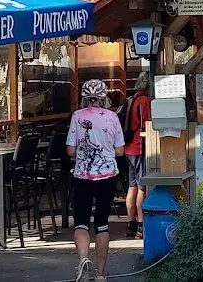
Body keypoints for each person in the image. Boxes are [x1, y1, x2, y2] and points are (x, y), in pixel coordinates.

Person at [66, 79, 125, 282]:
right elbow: (120, 150)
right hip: (107, 176)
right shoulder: (112, 117)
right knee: (101, 223)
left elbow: (71, 150)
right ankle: (100, 274)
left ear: (84, 98)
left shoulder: (76, 117)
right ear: (104, 97)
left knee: (81, 222)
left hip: (82, 175)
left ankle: (83, 259)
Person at [123, 73, 152, 239]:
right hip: (139, 146)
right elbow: (147, 124)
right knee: (142, 187)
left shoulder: (130, 99)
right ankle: (141, 226)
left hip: (128, 148)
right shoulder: (144, 101)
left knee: (132, 187)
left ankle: (130, 225)